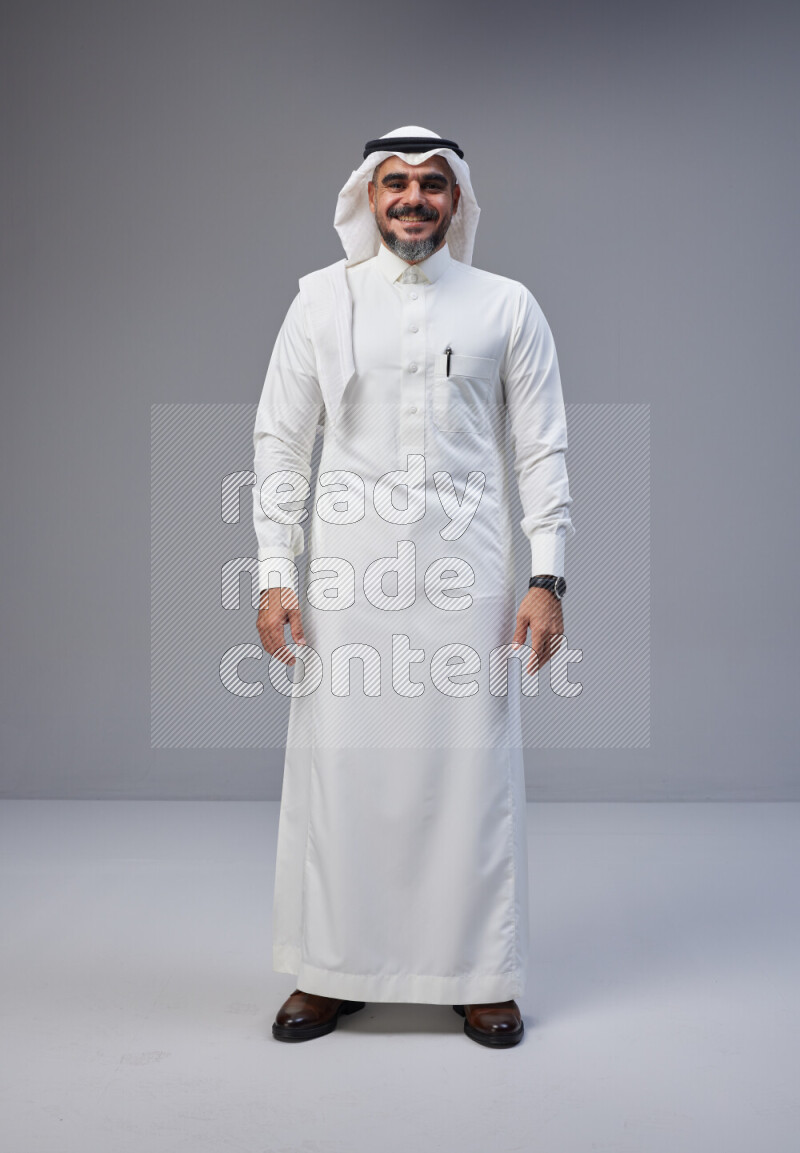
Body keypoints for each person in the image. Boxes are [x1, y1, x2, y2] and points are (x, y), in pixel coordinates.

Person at [252, 126, 574, 1048]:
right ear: (367, 195)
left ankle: (481, 973)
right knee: (342, 764)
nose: (414, 200)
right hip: (348, 570)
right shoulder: (320, 302)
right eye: (396, 184)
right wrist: (277, 573)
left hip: (467, 570)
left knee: (469, 768)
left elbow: (542, 445)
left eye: (433, 185)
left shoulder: (506, 305)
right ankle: (331, 971)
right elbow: (280, 441)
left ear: (458, 200)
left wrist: (547, 574)